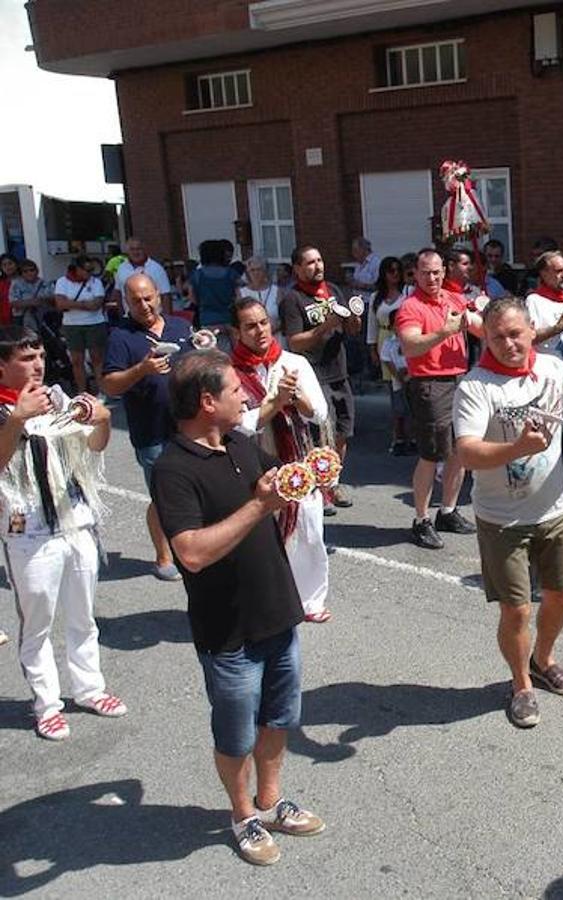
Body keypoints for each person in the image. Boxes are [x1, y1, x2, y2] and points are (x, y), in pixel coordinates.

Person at [151, 349, 324, 865]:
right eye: (234, 391)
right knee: (235, 735)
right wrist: (260, 505)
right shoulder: (173, 469)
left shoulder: (240, 444)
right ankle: (243, 814)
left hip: (277, 611)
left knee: (278, 718)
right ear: (207, 402)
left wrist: (315, 468)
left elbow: (281, 481)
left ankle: (271, 803)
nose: (245, 396)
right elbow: (192, 553)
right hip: (228, 632)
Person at [453, 296, 563, 728]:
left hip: (554, 510)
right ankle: (521, 684)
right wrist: (519, 447)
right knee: (516, 610)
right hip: (502, 518)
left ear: (531, 332)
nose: (509, 343)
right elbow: (466, 452)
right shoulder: (476, 386)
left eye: (516, 334)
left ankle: (543, 659)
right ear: (485, 336)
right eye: (498, 336)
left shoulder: (555, 371)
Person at [0, 325, 125, 740]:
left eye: (38, 357)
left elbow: (95, 445)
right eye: (25, 359)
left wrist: (103, 419)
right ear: (3, 367)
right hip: (29, 532)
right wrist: (18, 418)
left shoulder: (58, 400)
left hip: (76, 522)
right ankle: (46, 704)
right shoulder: (4, 410)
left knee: (82, 614)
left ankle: (89, 688)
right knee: (36, 623)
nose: (37, 365)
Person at [231, 298, 332, 622]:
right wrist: (273, 403)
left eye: (263, 322)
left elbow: (319, 414)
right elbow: (238, 425)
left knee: (309, 531)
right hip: (253, 463)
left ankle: (309, 601)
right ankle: (267, 603)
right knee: (261, 537)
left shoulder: (294, 363)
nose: (260, 330)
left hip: (296, 460)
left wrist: (295, 397)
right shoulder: (230, 373)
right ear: (237, 332)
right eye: (250, 325)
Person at [101, 272, 194, 581]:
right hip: (151, 430)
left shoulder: (180, 325)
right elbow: (110, 385)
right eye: (135, 300)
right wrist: (142, 369)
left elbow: (198, 365)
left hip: (189, 425)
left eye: (148, 297)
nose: (144, 305)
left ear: (158, 294)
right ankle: (164, 556)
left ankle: (191, 548)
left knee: (194, 489)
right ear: (126, 302)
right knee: (162, 496)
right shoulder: (120, 336)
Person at [396, 248, 480, 548]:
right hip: (430, 384)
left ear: (444, 271)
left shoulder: (454, 299)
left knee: (460, 450)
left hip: (461, 380)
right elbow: (411, 346)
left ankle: (448, 511)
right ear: (415, 274)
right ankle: (421, 520)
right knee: (431, 455)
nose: (431, 278)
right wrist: (445, 332)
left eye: (436, 272)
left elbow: (481, 327)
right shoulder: (411, 306)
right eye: (425, 272)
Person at [278, 245, 362, 512]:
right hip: (313, 375)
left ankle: (332, 483)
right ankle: (316, 488)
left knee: (342, 432)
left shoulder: (334, 291)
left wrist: (353, 321)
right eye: (310, 263)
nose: (318, 266)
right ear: (298, 269)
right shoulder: (292, 299)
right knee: (319, 433)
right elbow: (295, 342)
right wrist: (326, 325)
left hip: (339, 371)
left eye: (320, 260)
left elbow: (350, 329)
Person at [367, 256, 413, 455]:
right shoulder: (376, 297)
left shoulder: (408, 293)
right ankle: (398, 435)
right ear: (384, 274)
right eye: (390, 270)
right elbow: (372, 324)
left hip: (404, 339)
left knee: (409, 391)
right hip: (385, 338)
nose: (394, 274)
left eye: (397, 270)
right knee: (394, 391)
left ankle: (412, 435)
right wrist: (372, 349)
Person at [53, 254, 109, 397]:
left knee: (97, 358)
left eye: (91, 270)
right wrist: (84, 304)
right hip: (72, 325)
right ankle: (82, 391)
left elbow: (96, 304)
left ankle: (102, 390)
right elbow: (60, 303)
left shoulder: (96, 282)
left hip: (94, 323)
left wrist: (72, 304)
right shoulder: (62, 282)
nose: (89, 273)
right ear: (76, 269)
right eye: (86, 270)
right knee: (77, 360)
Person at [526, 250, 563, 372]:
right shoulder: (534, 300)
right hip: (546, 372)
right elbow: (529, 337)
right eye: (559, 271)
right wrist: (557, 328)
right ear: (544, 273)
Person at [187, 240, 240, 345]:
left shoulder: (197, 275)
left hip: (207, 320)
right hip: (229, 319)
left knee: (210, 355)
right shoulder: (231, 273)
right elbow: (239, 296)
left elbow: (192, 299)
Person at [110, 237, 173, 316]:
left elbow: (165, 295)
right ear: (127, 251)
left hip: (153, 318)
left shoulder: (157, 269)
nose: (135, 252)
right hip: (129, 318)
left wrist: (167, 319)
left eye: (139, 249)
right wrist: (122, 315)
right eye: (132, 249)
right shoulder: (121, 268)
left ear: (145, 250)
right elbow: (118, 292)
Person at [237, 256, 282, 335]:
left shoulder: (277, 291)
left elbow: (285, 317)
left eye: (259, 269)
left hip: (275, 335)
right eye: (252, 270)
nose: (256, 273)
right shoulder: (241, 292)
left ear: (265, 271)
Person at [8, 258, 53, 334]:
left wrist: (42, 301)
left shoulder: (45, 283)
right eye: (25, 271)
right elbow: (13, 303)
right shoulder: (16, 284)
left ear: (37, 271)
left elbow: (52, 298)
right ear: (21, 273)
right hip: (22, 319)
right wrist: (33, 302)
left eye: (32, 270)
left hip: (44, 318)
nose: (29, 273)